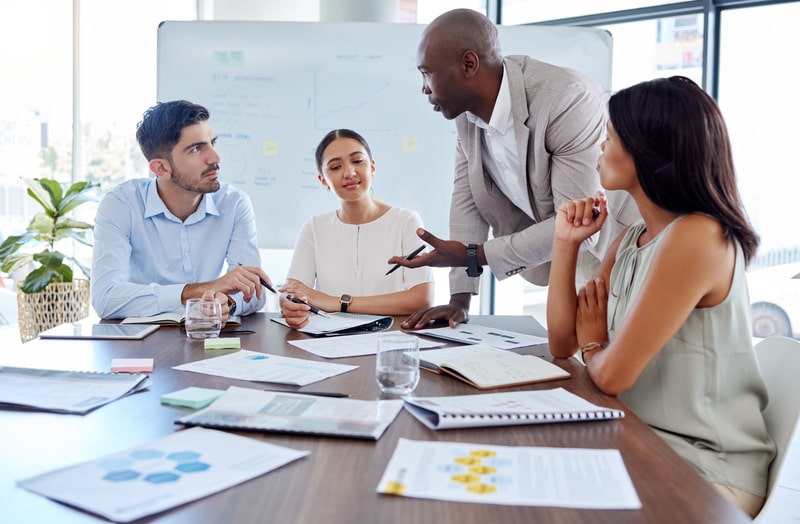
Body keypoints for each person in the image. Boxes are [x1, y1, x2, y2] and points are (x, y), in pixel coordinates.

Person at [546, 76, 775, 517]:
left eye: (609, 137)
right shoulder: (633, 237)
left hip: (703, 469)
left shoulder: (697, 236)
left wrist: (595, 344)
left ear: (648, 150)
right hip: (638, 441)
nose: (599, 148)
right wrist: (565, 244)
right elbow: (561, 343)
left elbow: (611, 376)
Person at [390, 8, 638, 330]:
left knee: (619, 366)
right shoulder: (468, 117)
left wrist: (475, 255)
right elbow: (467, 202)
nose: (424, 88)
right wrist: (458, 301)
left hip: (626, 248)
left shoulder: (565, 100)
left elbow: (579, 220)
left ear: (468, 64)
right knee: (581, 358)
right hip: (570, 263)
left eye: (427, 73)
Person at [91, 100, 272, 323]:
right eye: (196, 149)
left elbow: (254, 290)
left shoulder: (233, 203)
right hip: (141, 344)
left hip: (210, 335)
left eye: (212, 143)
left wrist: (228, 303)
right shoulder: (121, 204)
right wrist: (200, 291)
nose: (215, 158)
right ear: (161, 168)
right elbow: (106, 298)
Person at [279, 129, 434, 329]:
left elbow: (422, 298)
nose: (349, 173)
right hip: (329, 342)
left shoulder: (406, 221)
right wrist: (289, 304)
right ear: (323, 180)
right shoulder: (314, 227)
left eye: (358, 161)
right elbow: (291, 290)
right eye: (335, 167)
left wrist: (337, 302)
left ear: (373, 167)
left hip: (391, 338)